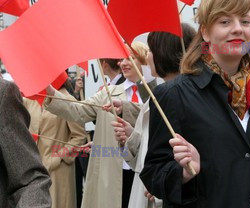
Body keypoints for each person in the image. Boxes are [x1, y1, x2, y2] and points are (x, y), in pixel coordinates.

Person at [141, 0, 250, 207]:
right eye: (225, 22)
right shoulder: (173, 95)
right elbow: (154, 174)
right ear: (206, 32)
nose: (237, 29)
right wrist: (183, 172)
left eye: (245, 22)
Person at [44, 41, 154, 208]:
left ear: (143, 61)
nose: (123, 63)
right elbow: (78, 110)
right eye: (122, 59)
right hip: (116, 173)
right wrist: (52, 93)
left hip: (147, 171)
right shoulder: (108, 93)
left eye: (130, 58)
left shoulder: (156, 94)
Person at [110, 24, 196, 208]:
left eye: (150, 50)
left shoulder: (181, 97)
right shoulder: (156, 98)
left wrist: (166, 181)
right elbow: (149, 154)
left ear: (164, 52)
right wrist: (131, 135)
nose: (147, 57)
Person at [23, 76, 86, 208]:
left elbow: (79, 137)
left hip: (59, 171)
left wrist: (57, 158)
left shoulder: (67, 100)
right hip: (34, 168)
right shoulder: (33, 99)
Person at [0, 78, 52, 207]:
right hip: (39, 152)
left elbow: (29, 180)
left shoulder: (4, 94)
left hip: (52, 157)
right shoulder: (29, 102)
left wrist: (60, 156)